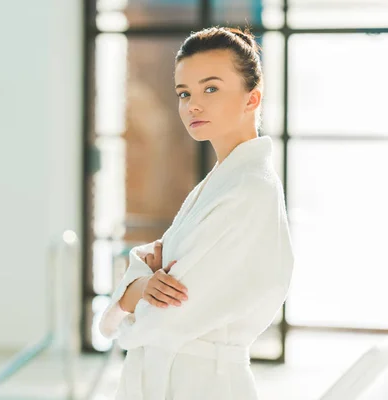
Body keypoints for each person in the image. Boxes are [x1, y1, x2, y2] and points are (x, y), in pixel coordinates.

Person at [99, 26, 295, 400]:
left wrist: (134, 289)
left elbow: (168, 313)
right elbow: (157, 277)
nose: (193, 105)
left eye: (211, 88)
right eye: (184, 93)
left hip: (204, 383)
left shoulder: (248, 189)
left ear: (252, 98)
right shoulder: (222, 182)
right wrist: (142, 282)